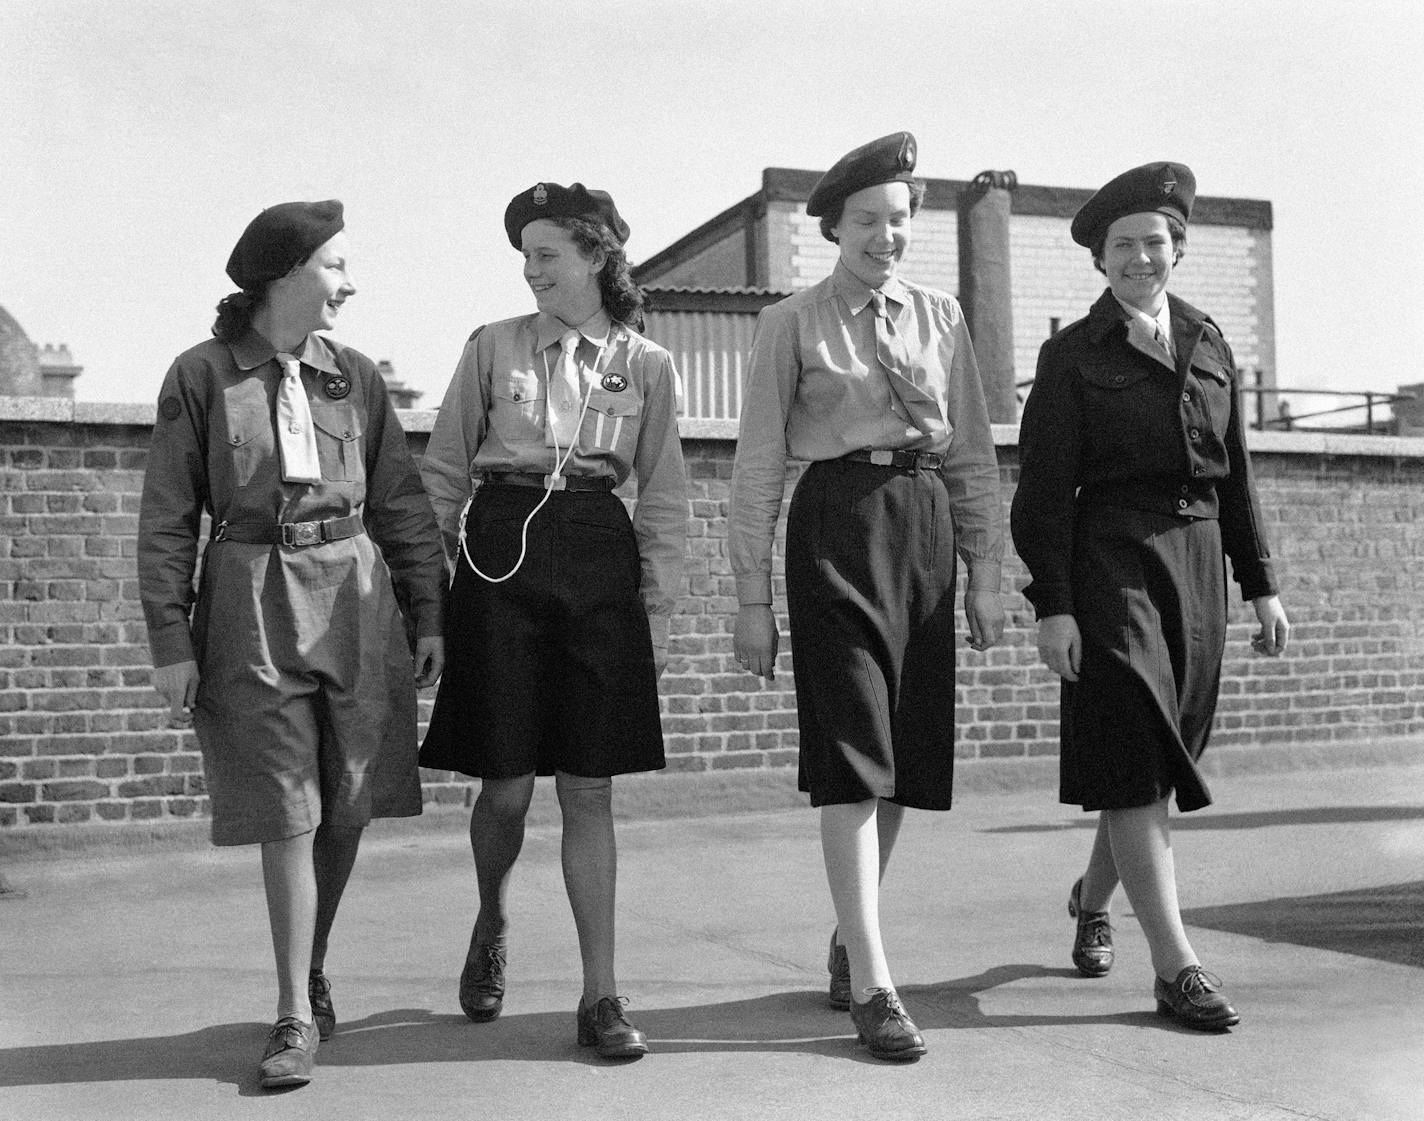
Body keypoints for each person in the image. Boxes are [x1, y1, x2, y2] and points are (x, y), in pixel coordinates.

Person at [138, 200, 446, 1088]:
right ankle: (292, 1012)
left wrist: (428, 612)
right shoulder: (200, 376)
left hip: (354, 597)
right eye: (336, 266)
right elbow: (167, 519)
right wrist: (171, 639)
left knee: (347, 802)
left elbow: (401, 503)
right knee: (287, 808)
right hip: (249, 596)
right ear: (284, 275)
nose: (350, 284)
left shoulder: (355, 378)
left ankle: (311, 962)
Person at [728, 133, 1006, 1061]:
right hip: (837, 525)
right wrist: (752, 599)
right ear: (833, 229)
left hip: (924, 523)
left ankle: (853, 935)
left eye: (899, 220)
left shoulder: (942, 315)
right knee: (852, 746)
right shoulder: (791, 322)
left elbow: (970, 452)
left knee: (901, 756)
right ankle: (878, 983)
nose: (886, 236)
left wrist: (987, 572)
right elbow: (760, 465)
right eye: (867, 222)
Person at [1010, 162, 1290, 1030]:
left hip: (1199, 559)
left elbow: (1236, 474)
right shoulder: (1070, 356)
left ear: (1177, 249)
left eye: (1154, 242)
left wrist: (1263, 585)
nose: (1140, 257)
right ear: (1100, 259)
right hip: (1112, 558)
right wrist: (1053, 603)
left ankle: (1093, 900)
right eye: (1122, 244)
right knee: (1132, 725)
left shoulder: (1209, 339)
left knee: (1153, 759)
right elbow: (1043, 490)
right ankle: (1177, 965)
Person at [419, 182, 687, 1061]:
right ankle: (492, 913)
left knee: (589, 782)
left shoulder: (644, 363)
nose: (532, 271)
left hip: (596, 547)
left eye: (548, 254)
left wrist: (659, 591)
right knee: (504, 781)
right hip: (502, 548)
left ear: (596, 256)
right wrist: (431, 585)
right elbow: (444, 472)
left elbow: (665, 489)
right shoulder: (493, 348)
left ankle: (599, 992)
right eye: (525, 257)